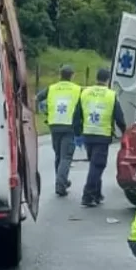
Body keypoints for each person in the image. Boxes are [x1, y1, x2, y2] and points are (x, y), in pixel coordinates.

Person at [73, 68, 126, 207]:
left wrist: (77, 133)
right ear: (108, 79)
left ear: (96, 78)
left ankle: (97, 193)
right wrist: (125, 131)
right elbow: (119, 117)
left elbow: (77, 114)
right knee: (97, 166)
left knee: (95, 165)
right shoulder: (111, 95)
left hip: (88, 134)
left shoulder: (85, 92)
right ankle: (88, 195)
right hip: (102, 135)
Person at [36, 64, 81, 196]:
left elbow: (36, 98)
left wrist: (42, 111)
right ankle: (60, 184)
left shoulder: (51, 88)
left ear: (60, 75)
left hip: (54, 125)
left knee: (59, 155)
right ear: (72, 75)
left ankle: (61, 180)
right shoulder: (77, 89)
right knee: (66, 157)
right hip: (69, 126)